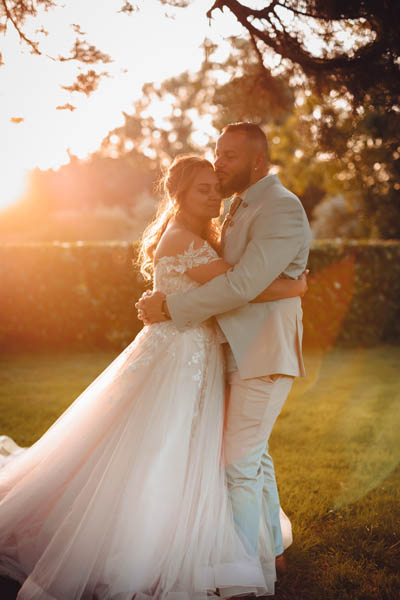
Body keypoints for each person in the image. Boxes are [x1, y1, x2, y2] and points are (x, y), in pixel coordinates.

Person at [0, 154, 305, 600]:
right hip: (180, 358)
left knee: (181, 444)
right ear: (178, 194)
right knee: (167, 444)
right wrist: (296, 285)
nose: (214, 194)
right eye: (203, 188)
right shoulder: (185, 241)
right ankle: (153, 542)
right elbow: (241, 284)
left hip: (189, 351)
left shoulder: (187, 237)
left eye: (215, 187)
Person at [137, 123, 312, 588]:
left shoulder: (281, 207)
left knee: (237, 462)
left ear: (257, 161)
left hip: (263, 351)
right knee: (254, 456)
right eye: (217, 154)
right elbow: (233, 275)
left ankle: (242, 575)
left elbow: (240, 284)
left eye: (229, 156)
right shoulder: (238, 205)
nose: (219, 164)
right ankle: (270, 553)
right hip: (232, 348)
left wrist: (169, 307)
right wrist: (294, 284)